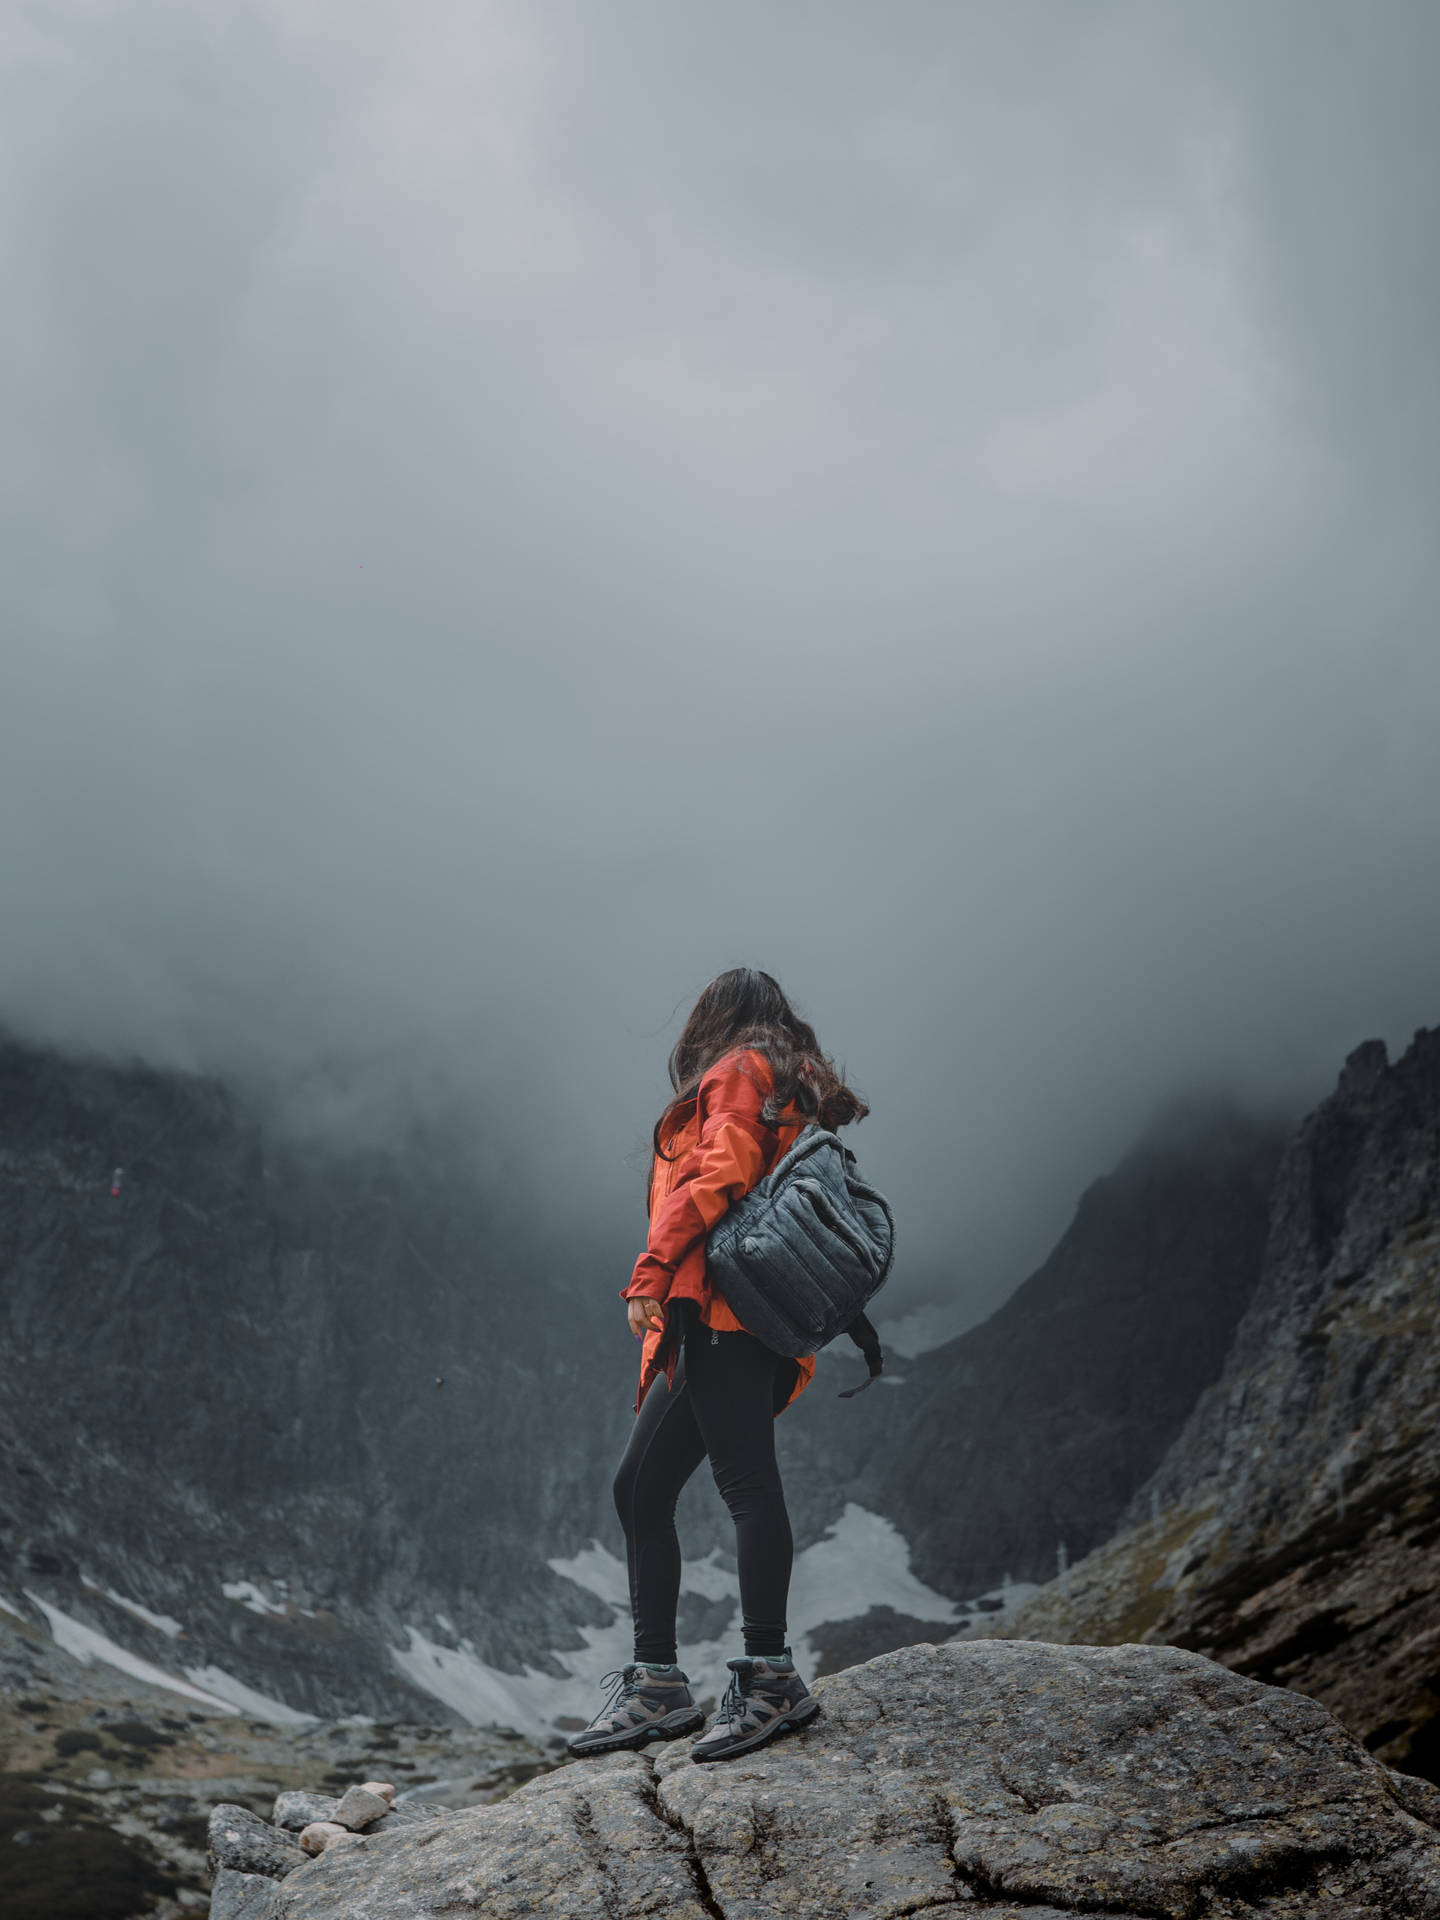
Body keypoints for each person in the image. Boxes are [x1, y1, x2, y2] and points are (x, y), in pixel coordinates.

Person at [567, 967, 868, 1764]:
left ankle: (769, 1676)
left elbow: (718, 1172)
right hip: (739, 1321)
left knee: (742, 1484)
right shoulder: (789, 1086)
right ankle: (658, 1683)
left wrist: (652, 1270)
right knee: (641, 1485)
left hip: (722, 1315)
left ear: (714, 1022)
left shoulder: (740, 1073)